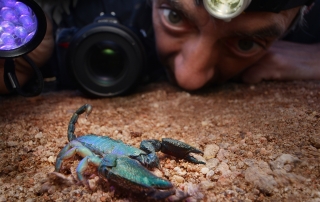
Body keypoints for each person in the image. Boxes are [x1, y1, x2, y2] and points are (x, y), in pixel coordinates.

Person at [0, 0, 319, 95]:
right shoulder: (26, 21)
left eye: (247, 42)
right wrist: (23, 60)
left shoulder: (310, 29)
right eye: (174, 16)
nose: (190, 77)